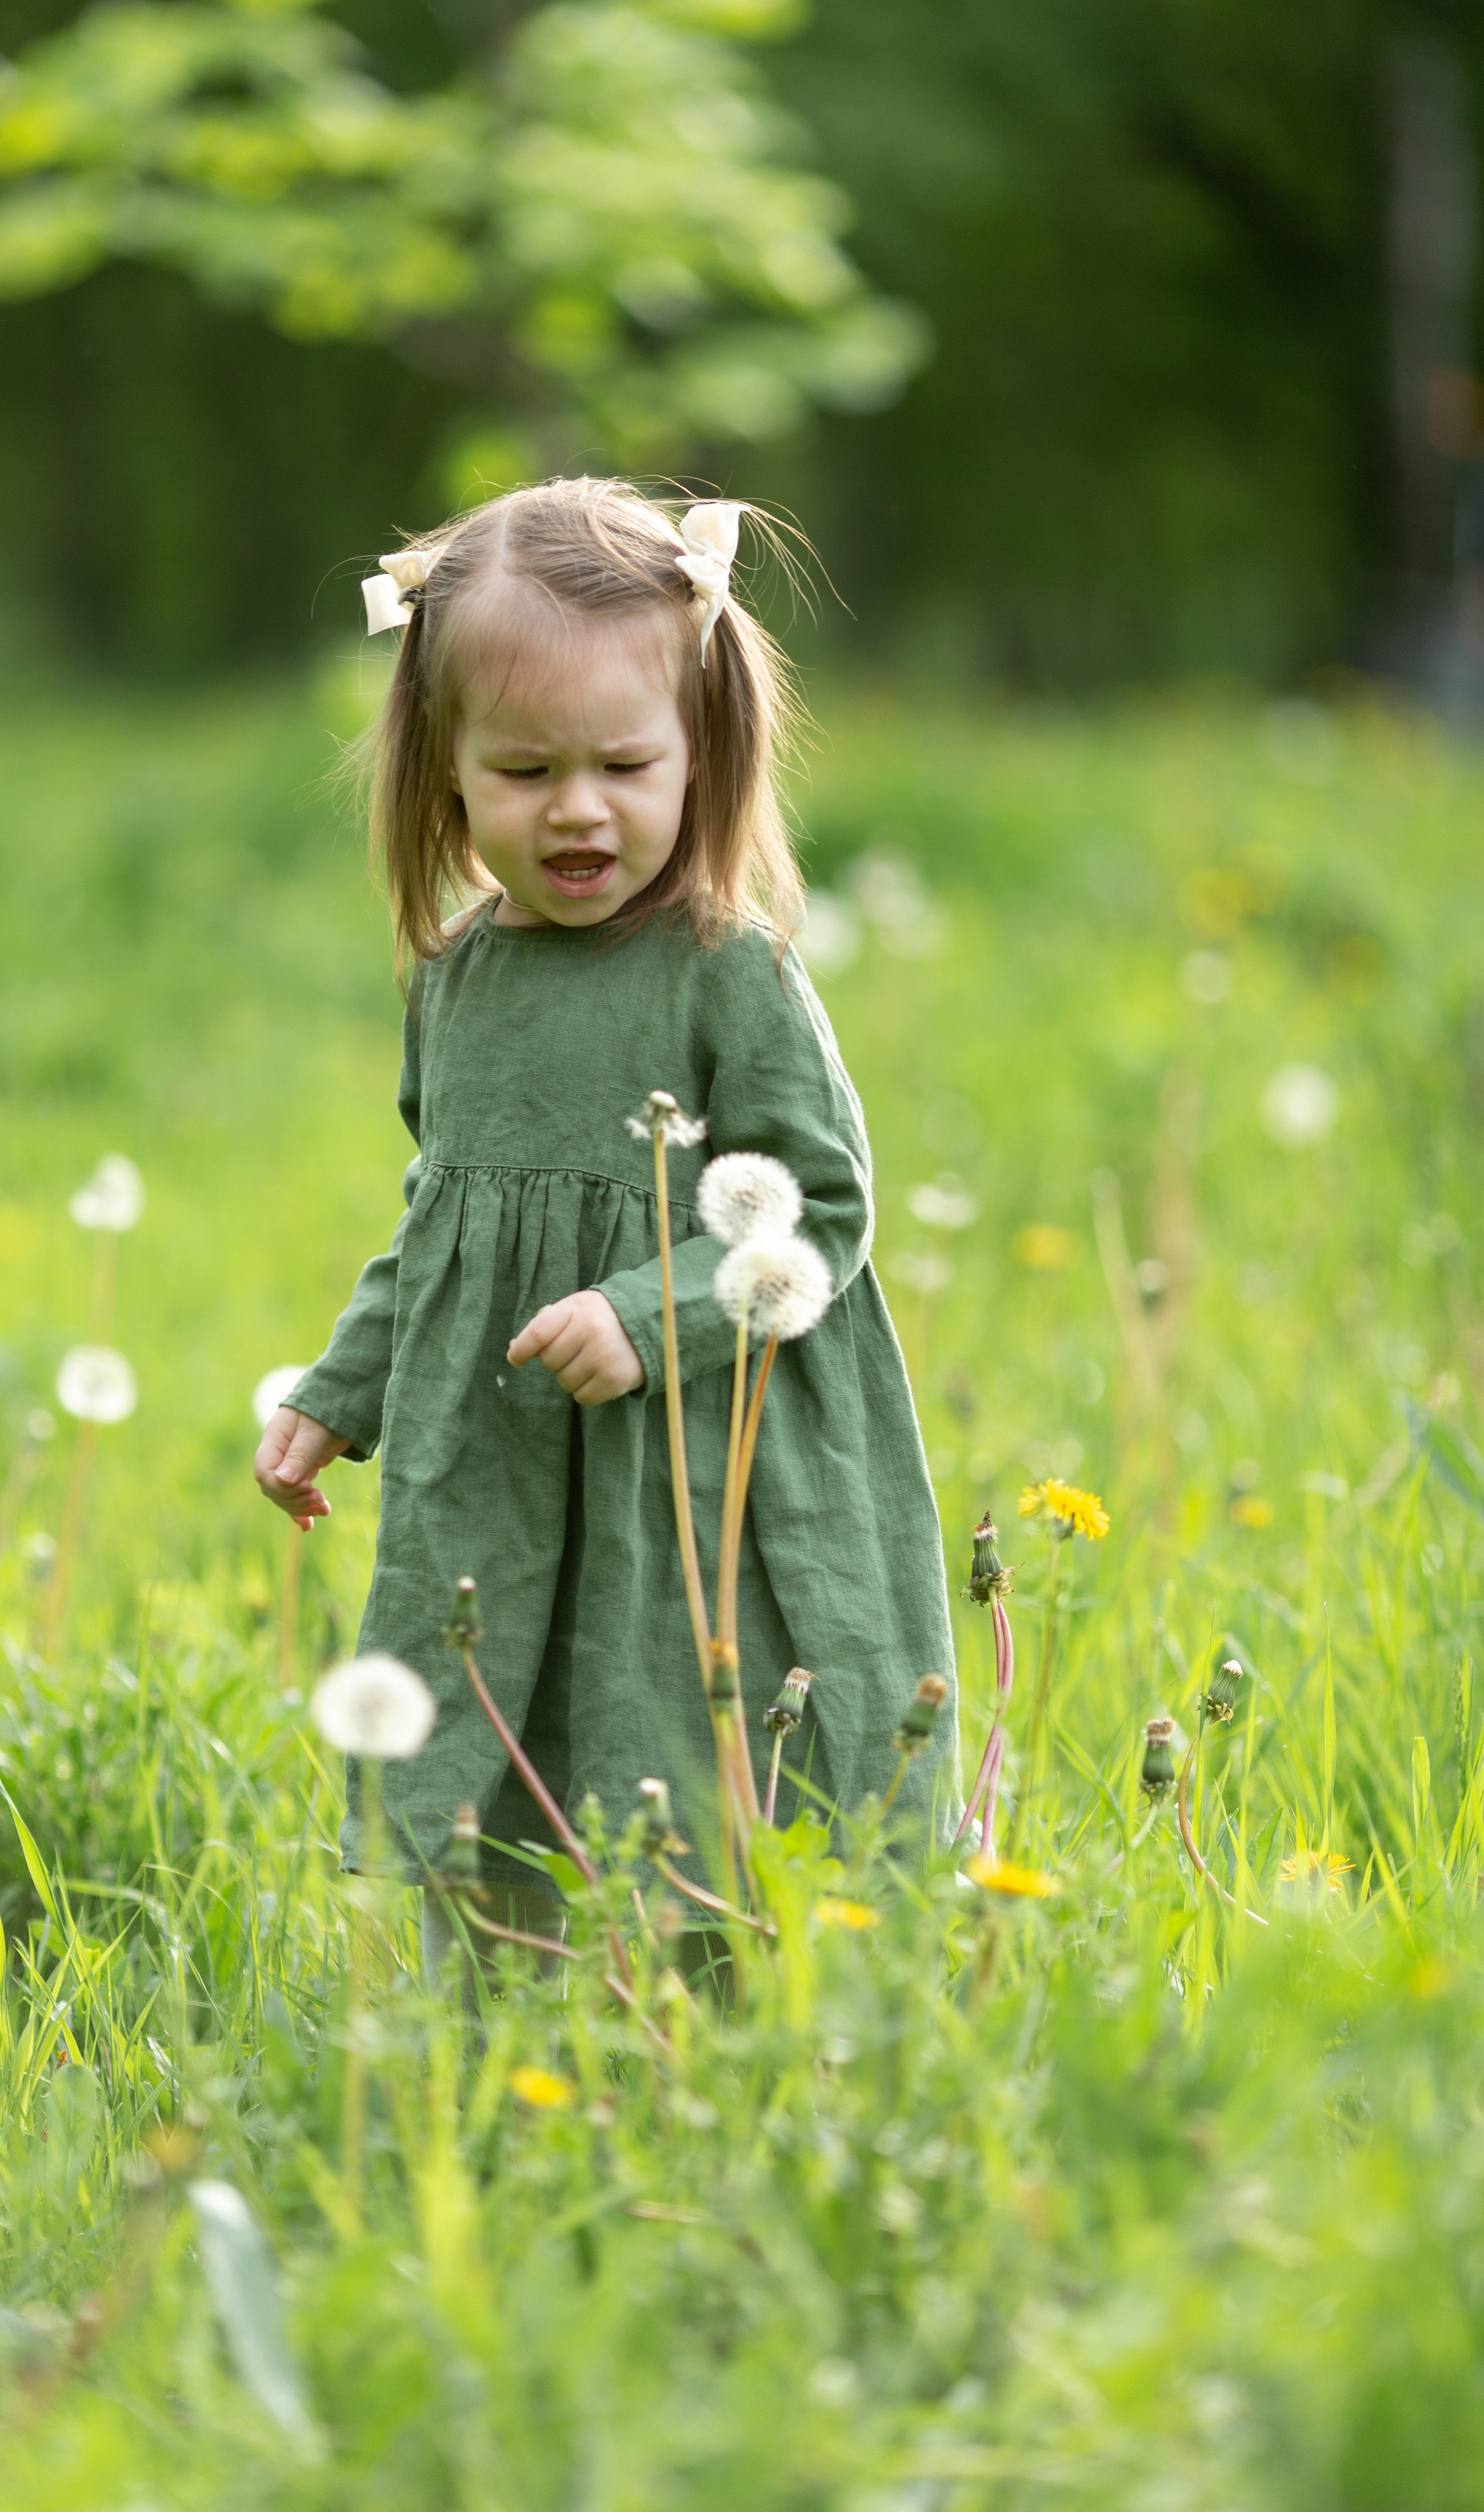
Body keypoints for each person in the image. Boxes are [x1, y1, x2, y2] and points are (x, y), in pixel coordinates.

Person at [253, 477, 955, 1956]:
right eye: (522, 770)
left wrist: (648, 1313)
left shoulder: (728, 974)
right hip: (502, 1464)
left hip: (695, 1469)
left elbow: (820, 1215)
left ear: (701, 755)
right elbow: (437, 1222)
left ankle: (722, 2009)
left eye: (624, 763)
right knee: (502, 1710)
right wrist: (342, 1391)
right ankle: (503, 2040)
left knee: (691, 1742)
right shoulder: (454, 983)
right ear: (442, 775)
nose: (577, 807)